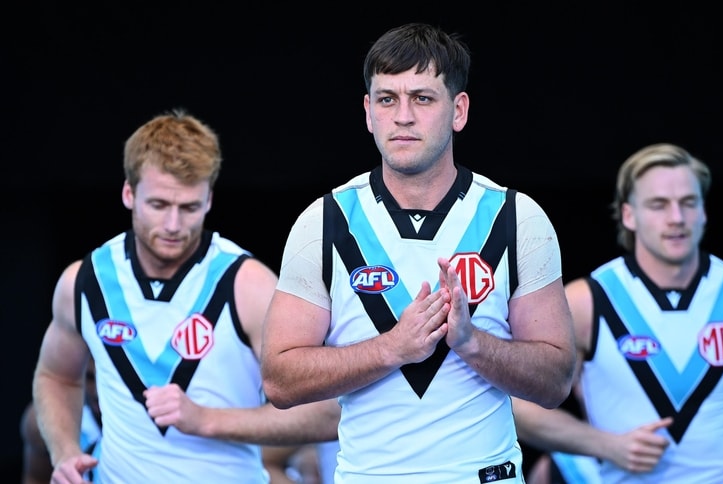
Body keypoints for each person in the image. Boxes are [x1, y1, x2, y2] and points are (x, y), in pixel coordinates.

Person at [260, 23, 576, 484]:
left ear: (459, 110)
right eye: (387, 99)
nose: (403, 116)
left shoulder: (515, 217)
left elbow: (556, 382)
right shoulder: (324, 221)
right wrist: (392, 347)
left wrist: (472, 343)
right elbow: (279, 381)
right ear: (368, 112)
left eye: (422, 99)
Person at [31, 109, 340, 484]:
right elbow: (56, 376)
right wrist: (65, 451)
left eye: (189, 207)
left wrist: (207, 420)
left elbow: (329, 412)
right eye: (159, 205)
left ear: (209, 199)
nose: (174, 225)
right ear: (129, 193)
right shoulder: (85, 281)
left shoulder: (247, 284)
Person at [512, 143, 723, 483]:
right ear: (628, 215)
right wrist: (605, 445)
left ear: (704, 211)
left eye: (688, 203)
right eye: (659, 205)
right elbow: (514, 402)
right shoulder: (588, 301)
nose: (677, 218)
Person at [20, 359, 100, 484]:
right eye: (90, 378)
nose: (97, 391)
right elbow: (36, 479)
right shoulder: (40, 423)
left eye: (104, 380)